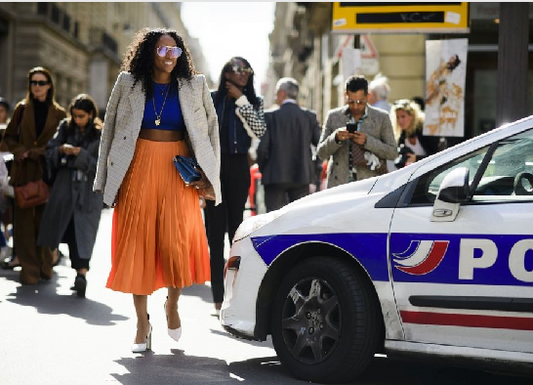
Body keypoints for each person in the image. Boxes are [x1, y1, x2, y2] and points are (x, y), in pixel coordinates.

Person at [93, 28, 221, 353]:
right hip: (137, 166)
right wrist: (103, 179)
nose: (169, 56)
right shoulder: (127, 83)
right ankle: (141, 323)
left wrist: (210, 176)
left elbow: (210, 131)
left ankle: (172, 305)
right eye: (163, 50)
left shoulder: (196, 85)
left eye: (175, 51)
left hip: (178, 168)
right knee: (138, 243)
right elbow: (108, 132)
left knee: (176, 242)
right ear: (150, 51)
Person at [205, 57, 266, 315]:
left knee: (235, 234)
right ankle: (217, 297)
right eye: (239, 70)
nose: (244, 74)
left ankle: (236, 294)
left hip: (239, 167)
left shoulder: (254, 101)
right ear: (226, 72)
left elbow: (259, 130)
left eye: (247, 70)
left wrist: (241, 100)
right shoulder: (210, 98)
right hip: (213, 168)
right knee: (214, 235)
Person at [3, 67, 66, 284]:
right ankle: (29, 271)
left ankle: (45, 266)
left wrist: (41, 151)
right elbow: (9, 138)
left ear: (49, 86)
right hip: (23, 172)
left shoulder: (59, 114)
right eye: (33, 83)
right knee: (22, 226)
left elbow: (63, 144)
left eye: (41, 83)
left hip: (47, 173)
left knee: (44, 223)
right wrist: (20, 151)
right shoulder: (22, 109)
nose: (37, 87)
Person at [37, 94, 103, 297]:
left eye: (81, 116)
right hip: (64, 187)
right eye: (74, 115)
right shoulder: (65, 127)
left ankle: (81, 275)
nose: (77, 119)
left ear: (91, 114)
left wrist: (79, 154)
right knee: (58, 227)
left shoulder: (100, 134)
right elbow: (49, 150)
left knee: (82, 234)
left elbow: (102, 164)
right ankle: (53, 258)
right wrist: (61, 150)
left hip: (87, 192)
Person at [317, 75, 397, 189]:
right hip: (339, 184)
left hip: (370, 185)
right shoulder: (333, 116)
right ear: (346, 95)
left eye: (360, 102)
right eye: (351, 101)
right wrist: (335, 138)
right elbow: (321, 153)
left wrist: (368, 141)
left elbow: (393, 153)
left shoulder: (381, 117)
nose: (355, 106)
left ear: (368, 96)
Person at [257, 77, 321, 212]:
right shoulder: (309, 116)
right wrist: (313, 167)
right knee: (297, 219)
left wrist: (265, 169)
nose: (275, 97)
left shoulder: (269, 116)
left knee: (274, 220)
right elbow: (321, 145)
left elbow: (262, 149)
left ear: (281, 93)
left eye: (276, 93)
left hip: (274, 176)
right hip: (302, 175)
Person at [391, 99, 440, 169]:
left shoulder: (425, 130)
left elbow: (437, 156)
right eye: (397, 117)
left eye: (403, 116)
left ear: (412, 116)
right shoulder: (402, 135)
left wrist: (416, 158)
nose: (400, 121)